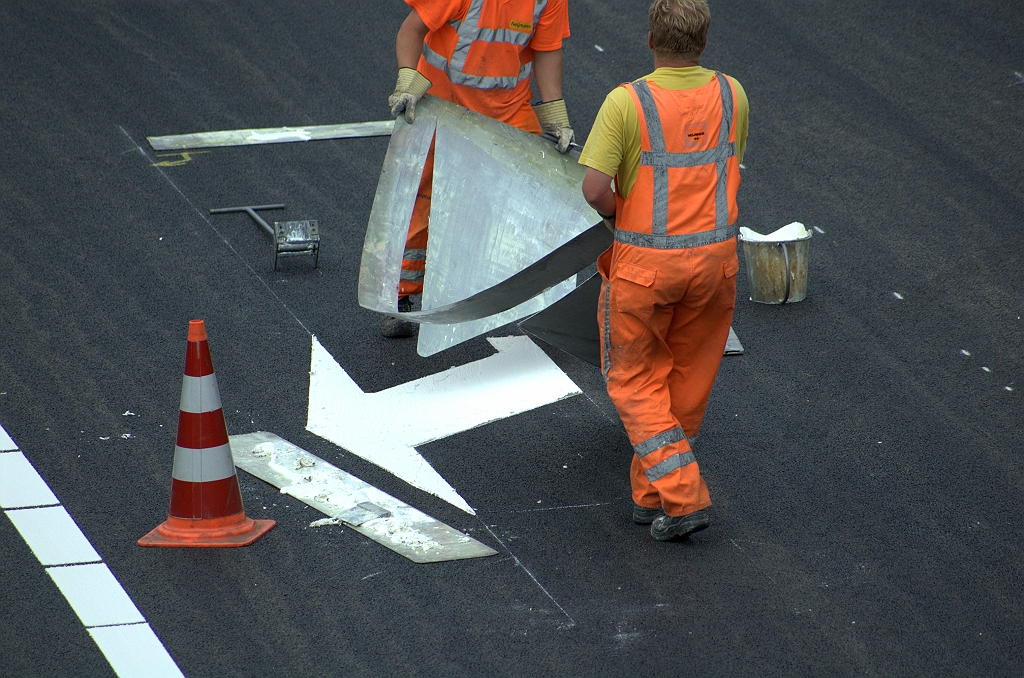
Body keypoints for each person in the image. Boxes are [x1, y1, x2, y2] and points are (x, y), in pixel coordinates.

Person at [579, 0, 748, 541]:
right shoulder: (731, 93)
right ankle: (650, 493)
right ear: (703, 41)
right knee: (686, 380)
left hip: (646, 269)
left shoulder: (626, 103)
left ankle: (681, 497)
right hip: (716, 265)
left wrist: (619, 213)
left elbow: (595, 191)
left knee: (632, 379)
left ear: (650, 39)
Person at [381, 0, 575, 337]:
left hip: (508, 108)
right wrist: (406, 80)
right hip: (442, 103)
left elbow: (547, 50)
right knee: (420, 198)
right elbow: (411, 30)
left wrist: (555, 115)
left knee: (543, 189)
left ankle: (540, 296)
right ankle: (401, 299)